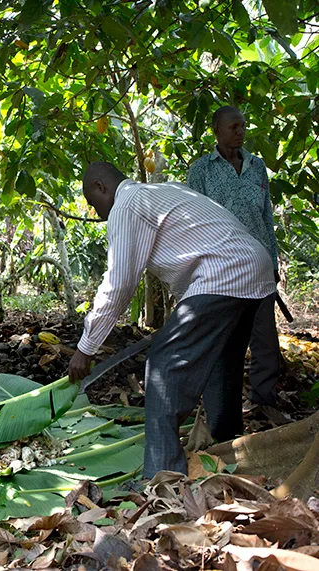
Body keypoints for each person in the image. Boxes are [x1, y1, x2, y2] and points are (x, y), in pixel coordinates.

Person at [68, 162, 276, 478]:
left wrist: (87, 346)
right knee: (221, 366)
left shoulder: (128, 205)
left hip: (225, 274)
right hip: (251, 269)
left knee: (164, 367)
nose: (96, 212)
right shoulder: (161, 192)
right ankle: (227, 451)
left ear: (100, 186)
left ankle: (162, 476)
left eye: (92, 202)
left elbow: (119, 284)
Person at [187, 106, 281, 406]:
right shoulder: (201, 170)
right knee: (223, 340)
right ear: (217, 130)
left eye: (243, 126)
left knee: (265, 341)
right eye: (233, 127)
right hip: (223, 269)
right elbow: (195, 223)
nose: (240, 132)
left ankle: (264, 401)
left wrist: (274, 263)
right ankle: (221, 406)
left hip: (259, 267)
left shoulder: (256, 167)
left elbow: (266, 217)